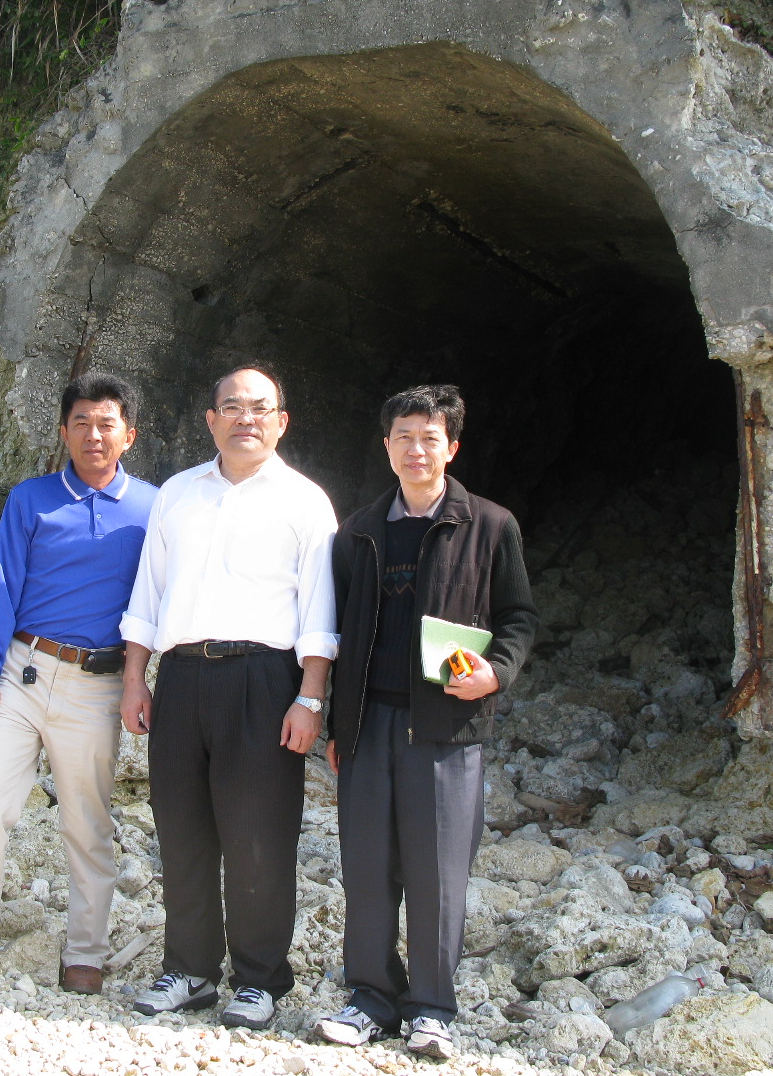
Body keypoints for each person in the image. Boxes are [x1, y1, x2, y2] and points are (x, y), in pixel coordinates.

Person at [314, 384, 538, 1060]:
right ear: (386, 447)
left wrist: (496, 672)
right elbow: (339, 632)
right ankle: (369, 998)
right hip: (366, 724)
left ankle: (433, 1008)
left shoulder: (491, 526)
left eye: (429, 438)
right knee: (367, 867)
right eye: (403, 437)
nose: (416, 449)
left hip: (445, 726)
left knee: (438, 872)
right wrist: (334, 727)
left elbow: (519, 618)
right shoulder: (356, 532)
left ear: (452, 447)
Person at [119, 363, 338, 1029]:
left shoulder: (305, 502)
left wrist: (310, 699)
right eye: (232, 406)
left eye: (260, 407)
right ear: (210, 420)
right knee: (181, 830)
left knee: (258, 838)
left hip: (264, 680)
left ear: (281, 422)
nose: (247, 417)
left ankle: (259, 978)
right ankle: (187, 969)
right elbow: (149, 590)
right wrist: (136, 676)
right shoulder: (178, 495)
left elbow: (319, 610)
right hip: (182, 676)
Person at [0, 372, 158, 995]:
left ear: (129, 435)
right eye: (80, 422)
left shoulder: (154, 507)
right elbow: (2, 584)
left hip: (99, 684)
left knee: (88, 821)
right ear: (63, 432)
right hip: (21, 674)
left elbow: (165, 597)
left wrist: (144, 679)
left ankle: (86, 950)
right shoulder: (30, 499)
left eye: (107, 423)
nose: (93, 434)